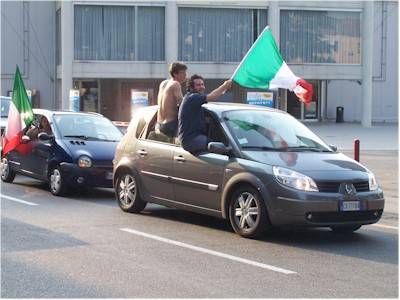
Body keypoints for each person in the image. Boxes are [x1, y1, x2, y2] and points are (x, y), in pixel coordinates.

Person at [178, 74, 232, 154]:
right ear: (191, 87)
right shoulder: (193, 97)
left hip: (192, 138)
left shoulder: (193, 99)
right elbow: (212, 96)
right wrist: (225, 86)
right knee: (226, 150)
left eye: (202, 84)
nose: (202, 87)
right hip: (192, 139)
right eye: (198, 85)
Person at [156, 62, 187, 137]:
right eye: (183, 73)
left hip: (160, 124)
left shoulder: (164, 83)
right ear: (175, 74)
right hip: (170, 124)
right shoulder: (175, 84)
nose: (185, 75)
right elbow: (182, 105)